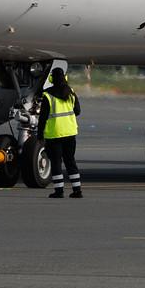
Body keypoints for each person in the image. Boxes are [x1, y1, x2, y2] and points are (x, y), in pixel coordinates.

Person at [41, 67, 82, 198]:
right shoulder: (71, 92)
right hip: (70, 133)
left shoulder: (48, 95)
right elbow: (78, 111)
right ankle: (77, 190)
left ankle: (59, 191)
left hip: (55, 134)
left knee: (56, 163)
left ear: (51, 79)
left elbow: (43, 117)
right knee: (70, 161)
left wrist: (39, 135)